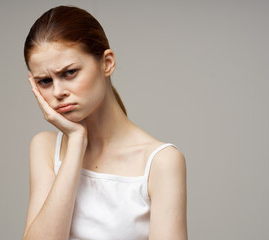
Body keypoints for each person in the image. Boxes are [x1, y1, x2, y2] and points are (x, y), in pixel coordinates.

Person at [22, 5, 187, 240]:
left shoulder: (161, 162)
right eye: (45, 81)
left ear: (107, 63)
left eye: (69, 73)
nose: (58, 92)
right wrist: (77, 142)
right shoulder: (46, 148)